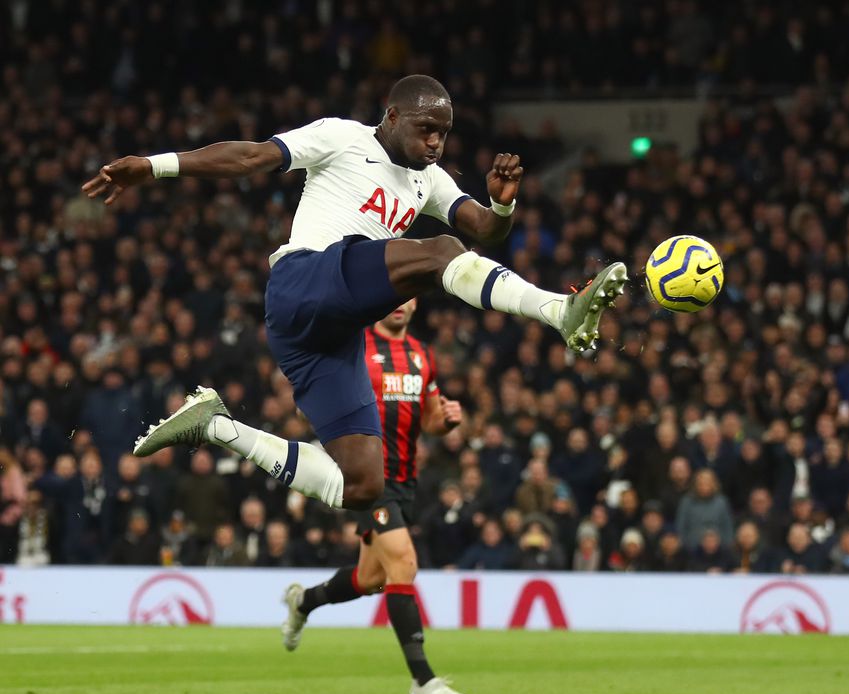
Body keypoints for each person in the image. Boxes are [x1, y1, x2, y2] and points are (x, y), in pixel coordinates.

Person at [84, 74, 627, 522]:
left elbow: (484, 229)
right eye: (426, 130)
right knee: (438, 250)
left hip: (323, 336)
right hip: (305, 280)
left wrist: (503, 206)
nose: (436, 143)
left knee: (364, 486)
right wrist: (153, 166)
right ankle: (559, 310)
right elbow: (250, 157)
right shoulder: (342, 137)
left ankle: (215, 425)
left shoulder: (429, 180)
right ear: (391, 118)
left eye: (444, 133)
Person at [280, 299, 471, 694]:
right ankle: (423, 679)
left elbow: (431, 420)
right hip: (366, 476)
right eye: (394, 297)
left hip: (404, 480)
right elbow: (313, 394)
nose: (400, 305)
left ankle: (303, 602)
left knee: (371, 578)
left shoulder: (422, 354)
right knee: (403, 563)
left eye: (408, 298)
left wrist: (448, 418)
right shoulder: (355, 346)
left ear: (418, 302)